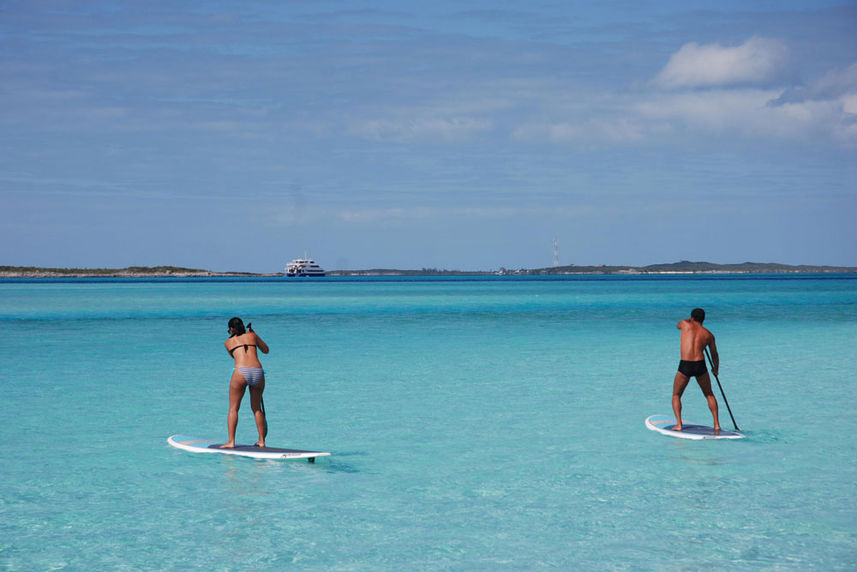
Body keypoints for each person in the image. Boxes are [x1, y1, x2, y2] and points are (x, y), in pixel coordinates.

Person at [221, 317, 270, 448]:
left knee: (233, 408)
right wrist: (254, 335)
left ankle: (231, 441)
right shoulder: (252, 335)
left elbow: (235, 356)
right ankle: (261, 441)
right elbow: (266, 350)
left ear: (231, 329)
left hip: (241, 372)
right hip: (258, 371)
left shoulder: (228, 342)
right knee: (256, 408)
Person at [672, 308, 721, 433]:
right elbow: (714, 354)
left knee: (676, 395)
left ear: (692, 318)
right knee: (709, 394)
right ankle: (716, 424)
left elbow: (678, 325)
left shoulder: (684, 324)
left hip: (685, 364)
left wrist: (690, 320)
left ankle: (679, 424)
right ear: (704, 319)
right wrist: (715, 369)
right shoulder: (708, 335)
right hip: (700, 364)